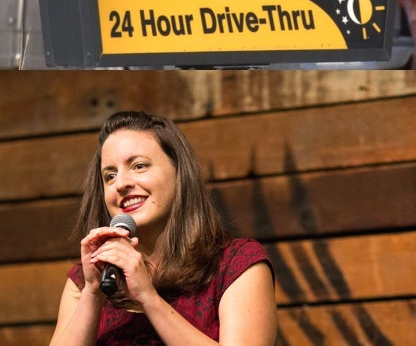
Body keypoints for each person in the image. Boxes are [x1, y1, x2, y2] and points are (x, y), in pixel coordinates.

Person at [50, 111, 277, 346]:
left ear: (179, 173)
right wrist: (92, 293)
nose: (121, 183)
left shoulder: (235, 264)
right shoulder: (86, 280)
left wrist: (149, 299)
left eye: (139, 166)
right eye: (110, 175)